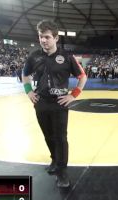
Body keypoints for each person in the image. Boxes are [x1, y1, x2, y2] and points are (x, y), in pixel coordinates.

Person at [22, 20, 87, 188]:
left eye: (47, 37)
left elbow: (82, 76)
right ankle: (54, 160)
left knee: (61, 138)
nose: (43, 40)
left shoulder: (66, 57)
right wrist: (29, 91)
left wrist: (74, 94)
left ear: (56, 38)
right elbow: (26, 75)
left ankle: (62, 171)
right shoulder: (34, 56)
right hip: (41, 103)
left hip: (59, 103)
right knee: (48, 136)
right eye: (40, 37)